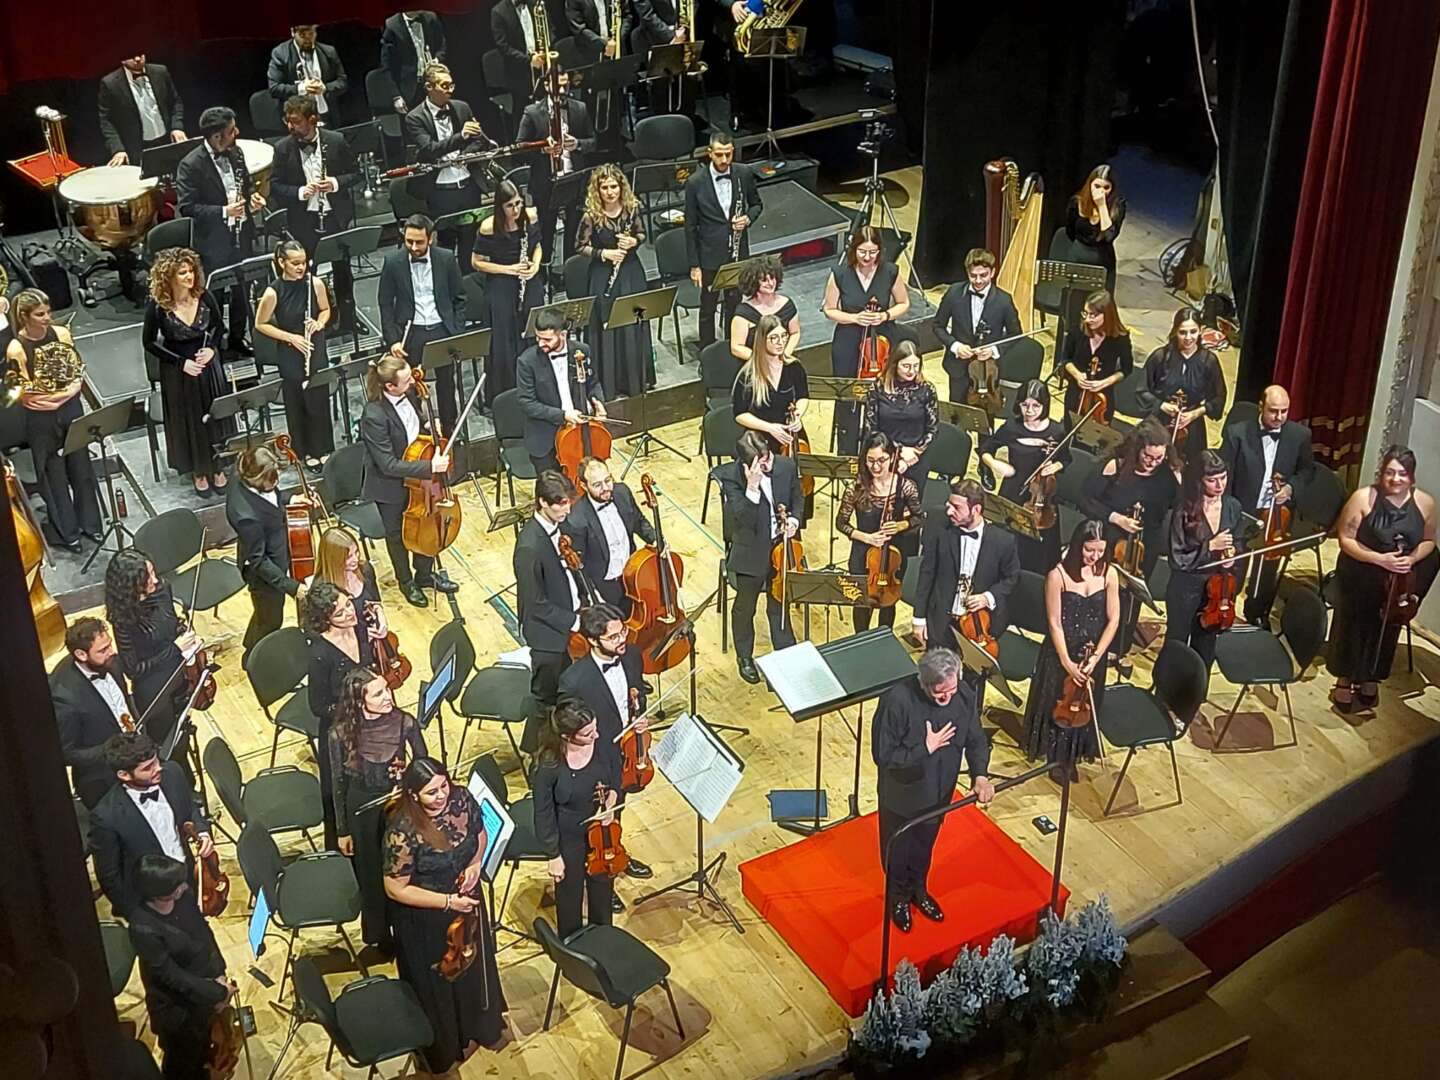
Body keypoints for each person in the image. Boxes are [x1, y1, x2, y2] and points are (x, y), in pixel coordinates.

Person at [384, 758, 508, 1070]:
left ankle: (480, 1025)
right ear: (414, 796)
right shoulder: (402, 830)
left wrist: (475, 864)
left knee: (474, 965)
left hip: (466, 900)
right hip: (428, 914)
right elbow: (396, 888)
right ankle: (445, 1045)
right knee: (439, 980)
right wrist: (449, 902)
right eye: (431, 792)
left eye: (443, 786)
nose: (441, 796)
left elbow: (479, 835)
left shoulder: (462, 799)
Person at [872, 647, 993, 933]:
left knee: (924, 847)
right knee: (897, 854)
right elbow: (883, 755)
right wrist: (924, 748)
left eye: (950, 689)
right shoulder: (897, 701)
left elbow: (975, 738)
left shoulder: (962, 694)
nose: (946, 697)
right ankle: (898, 899)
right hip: (902, 797)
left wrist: (980, 775)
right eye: (940, 692)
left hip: (939, 792)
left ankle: (919, 891)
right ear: (924, 683)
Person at [1327, 446, 1438, 711]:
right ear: (1381, 473)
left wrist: (1410, 560)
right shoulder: (1362, 498)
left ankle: (1371, 678)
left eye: (1401, 474)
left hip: (1398, 581)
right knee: (1353, 625)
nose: (1395, 479)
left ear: (1411, 477)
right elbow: (1346, 539)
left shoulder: (1425, 503)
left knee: (1387, 628)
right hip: (1361, 573)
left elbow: (1429, 541)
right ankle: (1344, 678)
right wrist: (1378, 559)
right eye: (1389, 473)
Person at [556, 605, 655, 894]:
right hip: (595, 759)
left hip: (626, 752)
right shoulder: (574, 681)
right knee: (598, 819)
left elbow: (635, 692)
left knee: (617, 811)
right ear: (593, 640)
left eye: (622, 631)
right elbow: (566, 728)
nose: (622, 639)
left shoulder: (632, 656)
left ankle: (617, 855)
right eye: (613, 637)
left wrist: (640, 717)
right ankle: (600, 881)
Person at [330, 667, 427, 949]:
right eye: (379, 693)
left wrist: (407, 780)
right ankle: (380, 937)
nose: (388, 696)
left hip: (398, 807)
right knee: (372, 875)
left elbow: (423, 767)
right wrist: (343, 830)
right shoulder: (338, 735)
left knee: (405, 868)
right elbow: (338, 785)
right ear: (361, 702)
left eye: (386, 689)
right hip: (362, 811)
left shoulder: (405, 723)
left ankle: (409, 929)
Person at [4, 288, 102, 551]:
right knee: (55, 477)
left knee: (82, 470)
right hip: (42, 422)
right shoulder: (17, 348)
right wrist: (60, 396)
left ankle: (91, 526)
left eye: (48, 312)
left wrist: (65, 394)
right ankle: (68, 533)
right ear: (25, 317)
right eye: (40, 314)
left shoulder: (62, 334)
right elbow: (26, 397)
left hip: (70, 409)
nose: (47, 318)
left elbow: (76, 372)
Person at [359, 356, 459, 607]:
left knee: (427, 524)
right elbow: (388, 464)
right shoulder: (373, 416)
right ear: (389, 387)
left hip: (418, 479)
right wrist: (430, 466)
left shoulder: (411, 394)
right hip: (390, 486)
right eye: (406, 380)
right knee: (398, 536)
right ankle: (406, 582)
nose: (413, 382)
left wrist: (428, 423)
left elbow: (412, 429)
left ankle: (425, 575)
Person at [1022, 520, 1120, 774]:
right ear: (1078, 546)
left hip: (1092, 654)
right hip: (1062, 651)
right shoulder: (1057, 576)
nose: (1095, 557)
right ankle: (1054, 755)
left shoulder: (1109, 572)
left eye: (1100, 551)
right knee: (1059, 699)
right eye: (1090, 550)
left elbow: (1114, 619)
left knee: (1083, 704)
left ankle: (1074, 754)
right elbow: (1054, 622)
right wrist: (1066, 662)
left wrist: (1096, 657)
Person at [126, 854, 232, 1080]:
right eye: (177, 884)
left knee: (205, 1047)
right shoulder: (142, 927)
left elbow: (203, 933)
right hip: (176, 1009)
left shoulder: (183, 898)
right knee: (183, 1064)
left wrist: (219, 971)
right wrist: (217, 993)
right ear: (158, 893)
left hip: (204, 989)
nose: (185, 886)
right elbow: (171, 977)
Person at [1081, 419, 1179, 661]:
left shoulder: (1166, 476)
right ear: (1138, 449)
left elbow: (1177, 506)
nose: (1154, 463)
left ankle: (1119, 644)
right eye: (1149, 457)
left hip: (1146, 545)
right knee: (1102, 590)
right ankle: (1093, 637)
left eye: (1159, 458)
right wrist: (1116, 519)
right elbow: (1085, 499)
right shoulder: (1115, 467)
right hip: (1111, 540)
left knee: (1132, 596)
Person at [88, 731, 213, 920]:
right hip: (153, 901)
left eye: (156, 761)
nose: (158, 768)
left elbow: (190, 809)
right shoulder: (106, 817)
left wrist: (202, 832)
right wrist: (135, 914)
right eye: (148, 768)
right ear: (124, 775)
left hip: (188, 875)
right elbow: (110, 876)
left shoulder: (172, 772)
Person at [1220, 385, 1315, 625]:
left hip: (1276, 515)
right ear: (1261, 408)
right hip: (1244, 511)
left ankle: (1257, 614)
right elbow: (1225, 477)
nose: (1279, 417)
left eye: (1284, 411)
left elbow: (1306, 470)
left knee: (1267, 567)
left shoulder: (1299, 435)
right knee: (1236, 564)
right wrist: (1227, 515)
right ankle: (1224, 612)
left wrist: (1290, 488)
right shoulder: (1237, 434)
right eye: (1274, 411)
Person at [142, 248, 233, 496]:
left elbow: (218, 327)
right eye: (182, 273)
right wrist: (182, 363)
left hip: (207, 365)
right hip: (179, 370)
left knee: (212, 415)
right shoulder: (158, 307)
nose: (189, 276)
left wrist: (213, 350)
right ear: (168, 277)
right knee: (190, 420)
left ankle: (217, 465)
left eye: (191, 270)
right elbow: (149, 343)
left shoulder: (204, 297)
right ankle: (199, 470)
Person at [176, 106, 266, 355]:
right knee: (213, 294)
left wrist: (253, 198)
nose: (236, 133)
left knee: (242, 288)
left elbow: (246, 187)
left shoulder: (236, 153)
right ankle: (214, 342)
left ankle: (237, 338)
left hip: (242, 233)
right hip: (212, 242)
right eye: (231, 130)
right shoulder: (190, 165)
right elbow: (187, 207)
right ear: (217, 137)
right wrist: (225, 211)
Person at [533, 700, 625, 935]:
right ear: (566, 736)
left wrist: (612, 802)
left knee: (602, 892)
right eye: (587, 733)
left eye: (594, 728)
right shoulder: (549, 765)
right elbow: (543, 813)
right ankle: (572, 948)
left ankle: (603, 938)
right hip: (568, 837)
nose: (596, 735)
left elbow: (616, 773)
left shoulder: (602, 744)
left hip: (602, 835)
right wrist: (553, 855)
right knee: (569, 897)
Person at [718, 431, 803, 683]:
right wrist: (753, 487)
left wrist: (795, 521)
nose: (767, 465)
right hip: (749, 552)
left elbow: (798, 497)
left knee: (779, 601)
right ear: (746, 465)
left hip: (780, 548)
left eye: (766, 457)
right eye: (760, 463)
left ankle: (785, 652)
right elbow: (742, 520)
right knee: (745, 608)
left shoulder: (785, 465)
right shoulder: (731, 478)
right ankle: (744, 656)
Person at [270, 95, 358, 328]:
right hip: (304, 220)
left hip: (334, 216)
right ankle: (313, 322)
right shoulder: (282, 148)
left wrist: (335, 183)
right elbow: (275, 186)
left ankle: (349, 319)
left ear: (313, 119)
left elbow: (355, 173)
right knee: (306, 273)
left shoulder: (336, 140)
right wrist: (299, 192)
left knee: (343, 270)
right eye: (288, 121)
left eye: (296, 122)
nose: (291, 127)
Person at [823, 225, 910, 454]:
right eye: (863, 252)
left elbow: (903, 303)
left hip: (881, 337)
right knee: (848, 395)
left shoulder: (890, 271)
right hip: (848, 338)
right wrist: (854, 317)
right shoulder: (840, 273)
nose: (867, 257)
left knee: (881, 391)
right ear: (855, 250)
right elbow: (830, 310)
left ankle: (878, 447)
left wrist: (885, 315)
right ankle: (847, 450)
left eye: (872, 252)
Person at [912, 479, 1021, 659]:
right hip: (941, 622)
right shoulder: (940, 529)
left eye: (956, 507)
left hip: (978, 626)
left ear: (976, 510)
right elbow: (926, 574)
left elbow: (1012, 578)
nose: (949, 511)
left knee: (973, 681)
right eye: (949, 505)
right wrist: (918, 619)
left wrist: (988, 597)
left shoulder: (1003, 541)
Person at [378, 214, 467, 434]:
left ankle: (449, 430)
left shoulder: (446, 258)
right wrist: (393, 340)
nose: (414, 247)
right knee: (410, 386)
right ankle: (417, 431)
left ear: (431, 238)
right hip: (411, 331)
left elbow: (460, 298)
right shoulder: (393, 262)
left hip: (441, 328)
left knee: (447, 384)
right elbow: (385, 303)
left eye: (419, 241)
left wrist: (456, 330)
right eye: (409, 241)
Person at [304, 581, 377, 850]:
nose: (350, 612)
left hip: (368, 720)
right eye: (341, 612)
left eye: (348, 604)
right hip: (340, 732)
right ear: (326, 620)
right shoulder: (321, 654)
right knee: (342, 793)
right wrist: (354, 708)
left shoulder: (359, 628)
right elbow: (318, 706)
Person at [104, 549, 200, 747]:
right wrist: (175, 649)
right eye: (148, 577)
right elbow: (133, 670)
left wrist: (186, 636)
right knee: (170, 745)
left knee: (184, 733)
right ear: (132, 584)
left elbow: (171, 624)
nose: (155, 580)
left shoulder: (163, 588)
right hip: (154, 689)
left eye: (153, 572)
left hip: (178, 671)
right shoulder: (123, 619)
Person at [254, 240, 334, 469]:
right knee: (297, 402)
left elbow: (326, 310)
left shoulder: (315, 284)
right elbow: (261, 324)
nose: (301, 267)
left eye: (304, 262)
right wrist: (291, 337)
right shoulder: (273, 292)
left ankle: (323, 448)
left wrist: (319, 324)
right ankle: (304, 451)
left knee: (318, 399)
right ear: (282, 263)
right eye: (295, 263)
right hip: (290, 350)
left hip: (314, 346)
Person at [1166, 450, 1246, 672]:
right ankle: (1169, 691)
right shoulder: (1184, 510)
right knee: (1177, 640)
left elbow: (1239, 542)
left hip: (1218, 589)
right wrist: (1209, 546)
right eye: (1212, 480)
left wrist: (1232, 557)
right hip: (1186, 588)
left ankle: (1196, 694)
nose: (1219, 485)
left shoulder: (1233, 507)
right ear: (1199, 481)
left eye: (1223, 477)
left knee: (1206, 644)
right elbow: (1177, 558)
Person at [575, 164, 652, 396]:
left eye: (614, 187)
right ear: (597, 190)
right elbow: (579, 246)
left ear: (621, 187)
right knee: (606, 325)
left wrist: (633, 242)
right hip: (602, 275)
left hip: (630, 272)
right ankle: (608, 384)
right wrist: (604, 254)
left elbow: (642, 234)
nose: (610, 192)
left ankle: (636, 381)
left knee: (633, 320)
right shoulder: (591, 216)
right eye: (605, 187)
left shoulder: (631, 208)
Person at [226, 444, 307, 661]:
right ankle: (255, 660)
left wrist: (290, 499)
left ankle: (251, 647)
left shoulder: (247, 474)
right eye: (272, 479)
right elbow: (258, 561)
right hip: (265, 575)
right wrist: (291, 586)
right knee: (270, 620)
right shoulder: (246, 515)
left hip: (276, 552)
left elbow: (273, 495)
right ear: (256, 479)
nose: (276, 483)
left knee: (264, 616)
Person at [980, 379, 1070, 572]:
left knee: (1040, 546)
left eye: (1036, 406)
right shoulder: (1012, 427)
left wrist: (1055, 466)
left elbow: (1066, 459)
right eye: (1024, 405)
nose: (1029, 411)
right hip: (1013, 489)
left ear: (1045, 405)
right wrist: (995, 464)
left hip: (1043, 498)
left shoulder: (1057, 431)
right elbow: (986, 448)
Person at [404, 63, 492, 259]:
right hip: (440, 191)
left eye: (451, 85)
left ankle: (469, 285)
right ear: (429, 87)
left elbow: (479, 140)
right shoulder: (414, 118)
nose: (450, 91)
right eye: (444, 86)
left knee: (471, 243)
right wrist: (461, 136)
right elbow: (430, 150)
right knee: (445, 247)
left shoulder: (462, 107)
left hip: (468, 185)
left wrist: (464, 155)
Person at [52, 617, 141, 808]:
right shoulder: (66, 700)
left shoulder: (108, 661)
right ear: (81, 655)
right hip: (103, 781)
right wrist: (110, 750)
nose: (112, 652)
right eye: (103, 650)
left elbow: (123, 700)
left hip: (134, 759)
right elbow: (65, 754)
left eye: (109, 645)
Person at [685, 133, 764, 349]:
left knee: (735, 304)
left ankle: (733, 348)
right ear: (709, 153)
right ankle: (708, 351)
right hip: (709, 255)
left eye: (728, 154)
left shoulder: (743, 173)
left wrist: (747, 218)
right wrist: (695, 265)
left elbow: (757, 204)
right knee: (708, 307)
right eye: (719, 155)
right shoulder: (695, 182)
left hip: (737, 252)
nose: (724, 160)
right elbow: (690, 227)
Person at [514, 470, 582, 720]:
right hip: (547, 636)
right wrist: (574, 622)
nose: (567, 511)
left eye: (568, 503)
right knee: (547, 699)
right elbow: (536, 604)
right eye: (561, 505)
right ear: (543, 502)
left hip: (567, 616)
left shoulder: (559, 527)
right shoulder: (529, 548)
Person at [838, 433, 922, 632]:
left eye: (881, 460)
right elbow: (841, 523)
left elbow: (919, 518)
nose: (875, 467)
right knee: (861, 606)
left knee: (888, 604)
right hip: (862, 554)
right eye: (870, 461)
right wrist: (866, 537)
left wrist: (900, 525)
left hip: (894, 556)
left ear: (892, 457)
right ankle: (860, 643)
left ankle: (883, 641)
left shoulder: (905, 487)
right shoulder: (856, 488)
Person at [473, 179, 544, 407]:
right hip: (501, 285)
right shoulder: (489, 227)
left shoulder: (529, 217)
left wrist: (535, 266)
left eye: (518, 203)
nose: (516, 210)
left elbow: (538, 246)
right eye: (510, 206)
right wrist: (508, 269)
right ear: (500, 206)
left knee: (533, 332)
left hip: (528, 281)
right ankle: (507, 396)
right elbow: (476, 262)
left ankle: (537, 389)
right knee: (504, 340)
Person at [516, 307, 606, 475]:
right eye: (538, 337)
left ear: (563, 335)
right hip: (545, 437)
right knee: (553, 491)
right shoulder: (527, 361)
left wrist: (598, 402)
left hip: (580, 432)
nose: (540, 343)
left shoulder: (582, 351)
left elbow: (592, 383)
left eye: (547, 339)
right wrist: (563, 415)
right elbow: (526, 403)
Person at [562, 456, 657, 614]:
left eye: (608, 480)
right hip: (606, 584)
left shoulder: (622, 492)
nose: (606, 488)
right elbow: (579, 565)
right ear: (584, 486)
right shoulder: (576, 519)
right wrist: (592, 595)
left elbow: (639, 522)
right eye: (597, 485)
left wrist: (655, 539)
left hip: (633, 574)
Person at [521, 73, 597, 267]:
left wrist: (578, 144)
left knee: (575, 228)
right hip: (545, 182)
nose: (563, 91)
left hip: (574, 178)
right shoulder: (532, 112)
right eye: (558, 86)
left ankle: (572, 270)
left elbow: (593, 142)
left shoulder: (580, 108)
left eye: (565, 85)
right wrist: (542, 149)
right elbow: (520, 148)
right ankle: (544, 270)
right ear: (546, 85)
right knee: (546, 230)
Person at [934, 248, 1022, 407]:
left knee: (986, 422)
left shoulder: (1004, 300)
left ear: (993, 272)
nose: (978, 280)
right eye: (973, 276)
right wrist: (955, 345)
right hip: (958, 368)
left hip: (988, 372)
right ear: (967, 272)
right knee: (958, 416)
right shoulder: (953, 293)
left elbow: (1015, 333)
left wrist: (994, 350)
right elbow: (938, 325)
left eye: (984, 275)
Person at [1136, 307, 1226, 463]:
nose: (1188, 337)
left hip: (1192, 426)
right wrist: (1162, 405)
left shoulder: (1209, 361)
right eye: (1183, 332)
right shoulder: (1160, 357)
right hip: (1159, 423)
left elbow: (1219, 398)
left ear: (1200, 331)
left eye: (1193, 331)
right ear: (1175, 332)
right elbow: (1141, 390)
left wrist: (1195, 413)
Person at [732, 312, 809, 455]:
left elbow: (803, 396)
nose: (781, 342)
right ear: (762, 340)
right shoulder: (748, 375)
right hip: (760, 438)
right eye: (774, 338)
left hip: (789, 433)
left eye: (784, 336)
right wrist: (770, 428)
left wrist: (798, 415)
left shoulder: (794, 366)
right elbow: (740, 413)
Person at [862, 340, 938, 484]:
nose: (911, 371)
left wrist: (914, 453)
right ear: (895, 365)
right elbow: (871, 429)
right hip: (884, 456)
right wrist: (899, 451)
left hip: (916, 457)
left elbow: (932, 429)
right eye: (906, 366)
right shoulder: (878, 388)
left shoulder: (927, 389)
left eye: (916, 366)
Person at [1058, 289, 1132, 427]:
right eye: (1085, 313)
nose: (1087, 319)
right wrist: (1078, 375)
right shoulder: (1077, 331)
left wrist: (1105, 382)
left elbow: (1126, 369)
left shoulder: (1120, 338)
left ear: (1107, 315)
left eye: (1093, 315)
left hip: (1103, 397)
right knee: (1070, 429)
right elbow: (1065, 359)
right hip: (1075, 393)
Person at [98, 55, 186, 167]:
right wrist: (117, 149)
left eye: (140, 54)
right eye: (131, 56)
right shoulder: (110, 84)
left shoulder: (160, 71)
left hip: (167, 142)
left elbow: (175, 102)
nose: (137, 59)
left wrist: (177, 127)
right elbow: (106, 121)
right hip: (137, 149)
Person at [1065, 164, 1125, 296]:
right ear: (1089, 185)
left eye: (1106, 187)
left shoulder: (1118, 205)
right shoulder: (1076, 202)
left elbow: (1110, 236)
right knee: (1073, 300)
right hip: (1078, 256)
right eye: (1097, 186)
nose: (1101, 192)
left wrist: (1102, 206)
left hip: (1103, 259)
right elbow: (1070, 231)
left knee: (1099, 303)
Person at [267, 24, 348, 122]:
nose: (307, 39)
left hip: (328, 115)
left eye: (311, 34)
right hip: (297, 118)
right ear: (293, 32)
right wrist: (302, 88)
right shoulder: (280, 54)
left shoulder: (329, 52)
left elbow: (343, 82)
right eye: (302, 35)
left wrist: (325, 88)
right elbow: (274, 88)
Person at [492, 0, 549, 138]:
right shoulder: (498, 11)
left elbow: (549, 29)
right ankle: (523, 152)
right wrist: (529, 60)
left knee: (547, 106)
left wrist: (546, 50)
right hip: (519, 71)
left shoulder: (536, 4)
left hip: (543, 63)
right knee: (523, 112)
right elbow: (503, 46)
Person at [730, 254, 800, 363]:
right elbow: (736, 347)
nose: (770, 283)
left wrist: (784, 355)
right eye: (764, 280)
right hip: (755, 365)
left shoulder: (787, 305)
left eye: (772, 278)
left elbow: (795, 333)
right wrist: (763, 360)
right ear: (754, 282)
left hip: (782, 361)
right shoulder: (743, 313)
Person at [381, 10, 447, 111]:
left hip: (434, 83)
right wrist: (396, 96)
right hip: (410, 91)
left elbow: (442, 44)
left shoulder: (431, 18)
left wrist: (437, 59)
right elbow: (387, 66)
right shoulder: (392, 26)